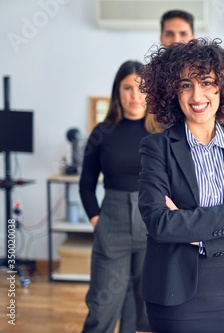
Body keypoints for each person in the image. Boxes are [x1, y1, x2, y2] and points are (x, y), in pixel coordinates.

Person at [137, 38, 224, 332]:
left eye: (207, 82)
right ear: (172, 91)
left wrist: (200, 236)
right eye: (186, 84)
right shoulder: (156, 148)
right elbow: (160, 223)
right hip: (177, 292)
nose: (197, 95)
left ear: (223, 87)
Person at [79, 60, 152, 333]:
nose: (135, 96)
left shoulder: (161, 132)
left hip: (152, 226)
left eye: (142, 88)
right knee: (102, 307)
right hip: (113, 224)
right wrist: (99, 221)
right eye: (128, 88)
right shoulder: (102, 133)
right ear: (117, 92)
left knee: (146, 310)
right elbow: (86, 185)